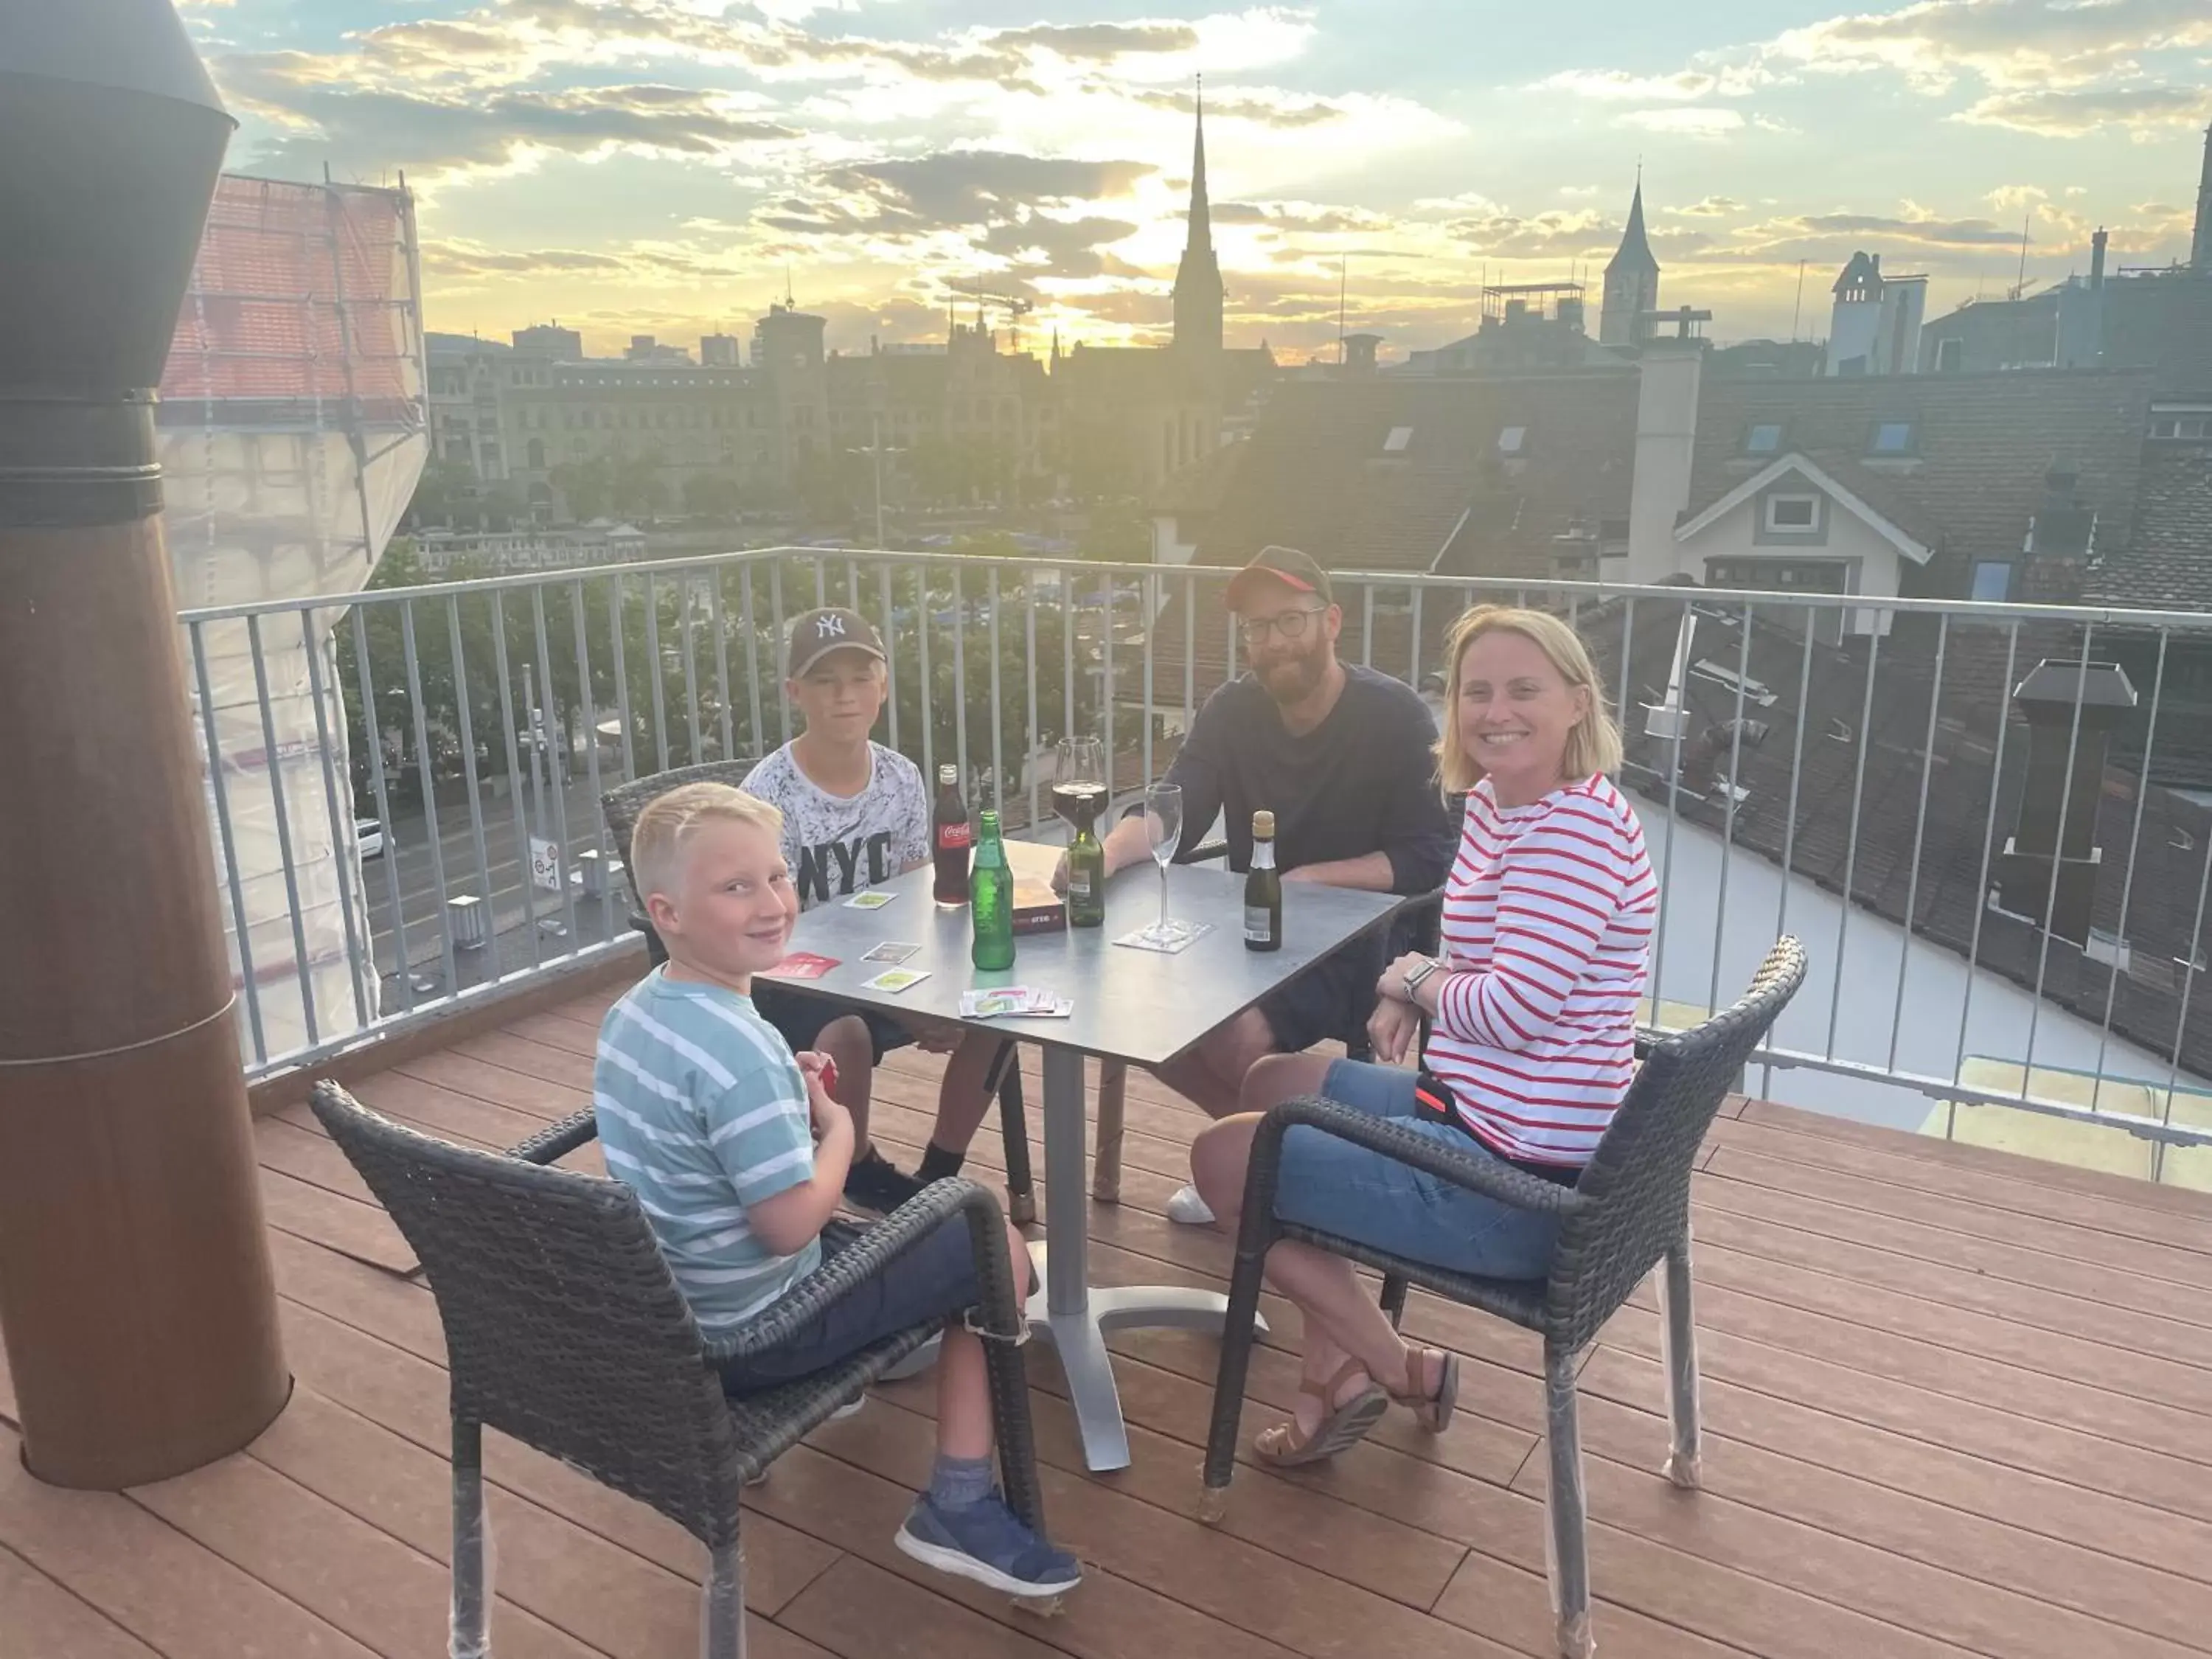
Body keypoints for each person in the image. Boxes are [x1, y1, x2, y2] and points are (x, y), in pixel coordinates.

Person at [1188, 605, 1657, 1464]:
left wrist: (1410, 980)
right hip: (1477, 1116)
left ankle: (1390, 1367)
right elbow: (1478, 944)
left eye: (1524, 690)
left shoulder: (1575, 832)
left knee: (1224, 1163)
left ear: (1579, 704)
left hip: (1518, 1191)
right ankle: (1341, 1365)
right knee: (1270, 1086)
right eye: (1476, 691)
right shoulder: (1499, 804)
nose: (1495, 711)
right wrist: (1417, 981)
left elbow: (1516, 1007)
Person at [592, 782, 1079, 1598]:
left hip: (674, 1308)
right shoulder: (740, 1053)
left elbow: (695, 1110)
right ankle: (956, 1506)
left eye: (777, 877)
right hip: (755, 1336)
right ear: (666, 912)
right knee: (990, 1246)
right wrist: (840, 1133)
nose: (772, 902)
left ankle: (884, 1352)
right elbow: (787, 1227)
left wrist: (783, 1084)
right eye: (736, 887)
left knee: (941, 1243)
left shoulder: (637, 1015)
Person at [1074, 546, 1457, 1225]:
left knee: (1231, 1033)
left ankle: (1267, 1167)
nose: (1272, 642)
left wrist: (1310, 878)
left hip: (1365, 938)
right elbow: (1179, 805)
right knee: (1139, 1015)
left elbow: (1430, 853)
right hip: (1255, 931)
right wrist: (1105, 854)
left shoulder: (1394, 717)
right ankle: (1274, 1163)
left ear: (1332, 622)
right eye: (1256, 628)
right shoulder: (1234, 708)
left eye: (1289, 622)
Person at [742, 607, 1012, 1214]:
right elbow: (769, 933)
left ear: (883, 688)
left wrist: (937, 991)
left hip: (885, 962)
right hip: (794, 974)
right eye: (825, 681)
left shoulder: (900, 777)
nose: (845, 696)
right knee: (851, 1033)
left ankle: (940, 1171)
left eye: (861, 678)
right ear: (795, 693)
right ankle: (856, 1168)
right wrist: (902, 1007)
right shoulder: (766, 797)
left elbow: (919, 894)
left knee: (997, 1004)